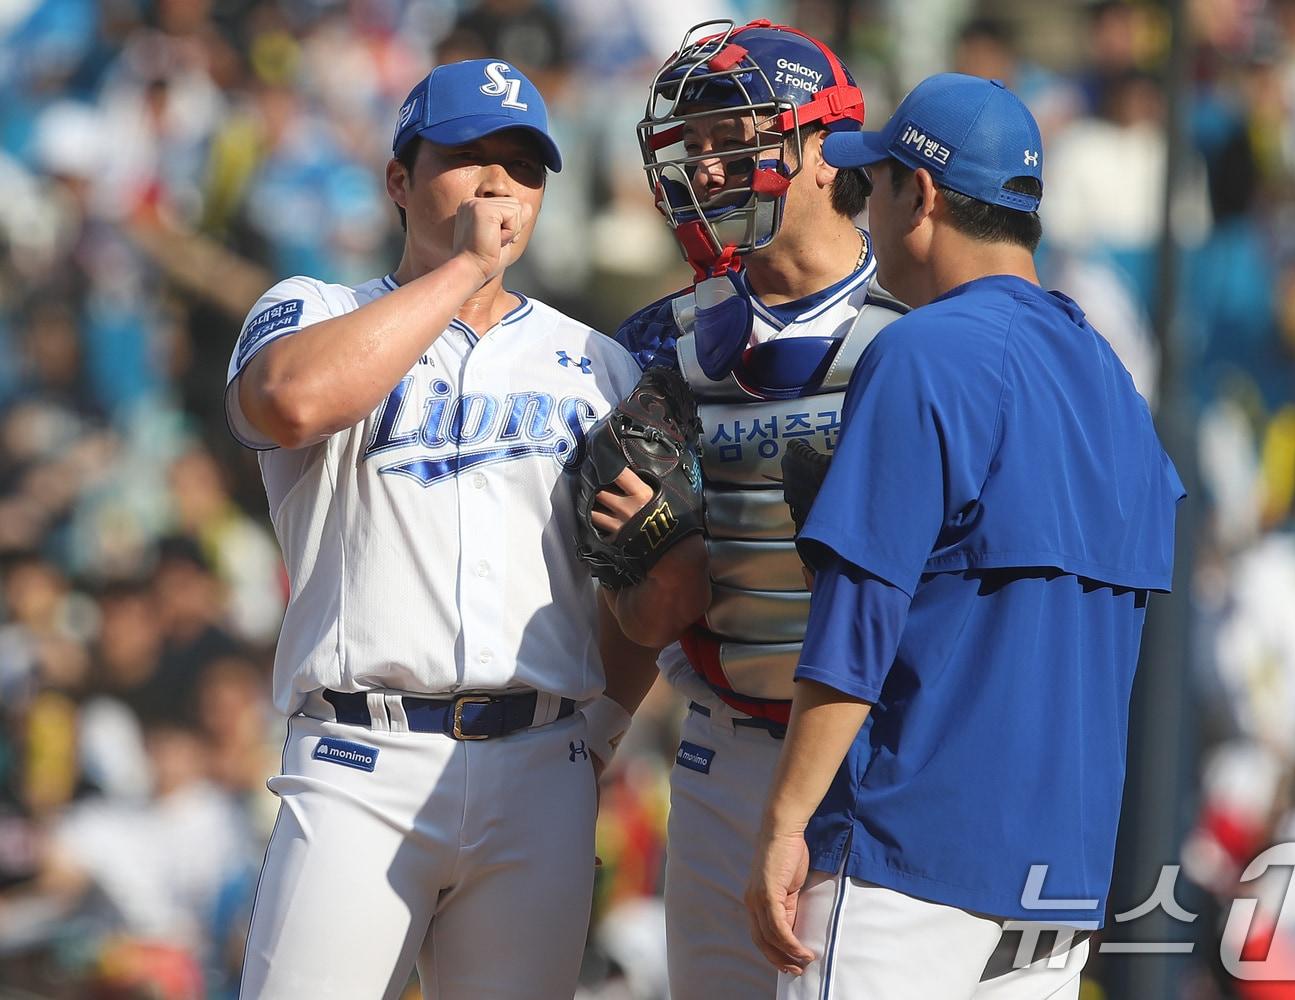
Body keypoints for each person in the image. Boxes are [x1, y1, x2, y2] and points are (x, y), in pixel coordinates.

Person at [744, 73, 1186, 998]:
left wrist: (785, 820)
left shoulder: (921, 351)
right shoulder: (1115, 384)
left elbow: (856, 630)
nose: (863, 211)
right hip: (1056, 883)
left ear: (925, 195)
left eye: (877, 186)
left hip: (908, 862)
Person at [225, 59, 647, 999]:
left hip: (541, 768)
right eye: (467, 157)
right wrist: (463, 268)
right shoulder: (313, 309)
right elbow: (289, 402)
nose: (498, 183)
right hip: (357, 763)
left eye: (522, 164)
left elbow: (639, 576)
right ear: (398, 183)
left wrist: (599, 735)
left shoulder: (598, 362)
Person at [578, 20, 904, 1000]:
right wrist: (656, 569)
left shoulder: (920, 325)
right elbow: (638, 618)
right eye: (695, 145)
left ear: (820, 149)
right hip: (719, 748)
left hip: (877, 754)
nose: (708, 168)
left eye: (733, 137)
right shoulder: (654, 344)